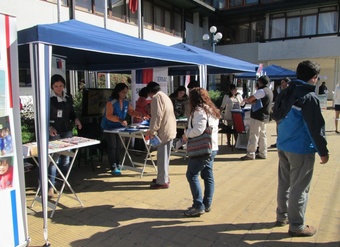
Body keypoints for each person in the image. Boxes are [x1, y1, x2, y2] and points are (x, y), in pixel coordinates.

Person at [273, 60, 329, 237]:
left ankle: (282, 216)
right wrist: (323, 151)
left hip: (283, 145)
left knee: (285, 183)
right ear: (314, 78)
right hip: (301, 148)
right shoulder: (308, 97)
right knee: (300, 187)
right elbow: (315, 127)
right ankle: (297, 225)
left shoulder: (286, 91)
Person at [182, 88, 220, 217]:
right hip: (212, 147)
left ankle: (198, 205)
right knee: (207, 175)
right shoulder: (211, 109)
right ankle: (206, 203)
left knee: (191, 174)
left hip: (202, 148)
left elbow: (199, 129)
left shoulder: (199, 110)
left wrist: (186, 134)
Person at [48, 74, 82, 197]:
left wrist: (76, 120)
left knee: (66, 157)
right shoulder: (49, 98)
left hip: (67, 130)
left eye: (61, 86)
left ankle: (64, 182)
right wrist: (49, 127)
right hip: (54, 131)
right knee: (54, 159)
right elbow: (43, 115)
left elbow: (71, 112)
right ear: (52, 86)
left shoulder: (68, 97)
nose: (58, 88)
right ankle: (50, 186)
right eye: (56, 86)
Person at [101, 83, 145, 175]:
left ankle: (118, 163)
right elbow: (108, 115)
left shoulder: (126, 102)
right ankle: (113, 166)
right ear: (117, 92)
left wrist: (141, 115)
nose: (125, 94)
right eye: (123, 92)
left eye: (126, 92)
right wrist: (120, 120)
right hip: (109, 127)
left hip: (119, 128)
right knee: (112, 147)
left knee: (118, 147)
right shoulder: (110, 102)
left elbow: (131, 112)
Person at [146, 81, 176, 189]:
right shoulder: (165, 96)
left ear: (150, 91)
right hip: (169, 130)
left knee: (162, 158)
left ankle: (162, 181)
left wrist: (152, 131)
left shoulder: (156, 98)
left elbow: (157, 116)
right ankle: (164, 177)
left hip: (163, 132)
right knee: (165, 158)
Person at [240, 75, 273, 160]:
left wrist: (248, 100)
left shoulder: (261, 91)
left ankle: (250, 154)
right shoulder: (269, 91)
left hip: (257, 116)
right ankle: (263, 153)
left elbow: (251, 99)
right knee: (263, 135)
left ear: (260, 82)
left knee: (254, 135)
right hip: (265, 116)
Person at [271, 77, 291, 148]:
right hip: (279, 112)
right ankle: (279, 141)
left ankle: (284, 142)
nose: (281, 84)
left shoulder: (289, 92)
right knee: (279, 128)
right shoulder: (280, 91)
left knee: (284, 129)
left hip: (284, 113)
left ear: (287, 83)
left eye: (283, 82)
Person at [133, 87, 151, 151]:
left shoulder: (140, 99)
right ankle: (139, 149)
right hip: (140, 119)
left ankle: (139, 149)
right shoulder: (143, 100)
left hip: (139, 118)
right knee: (140, 136)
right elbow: (147, 109)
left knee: (139, 136)